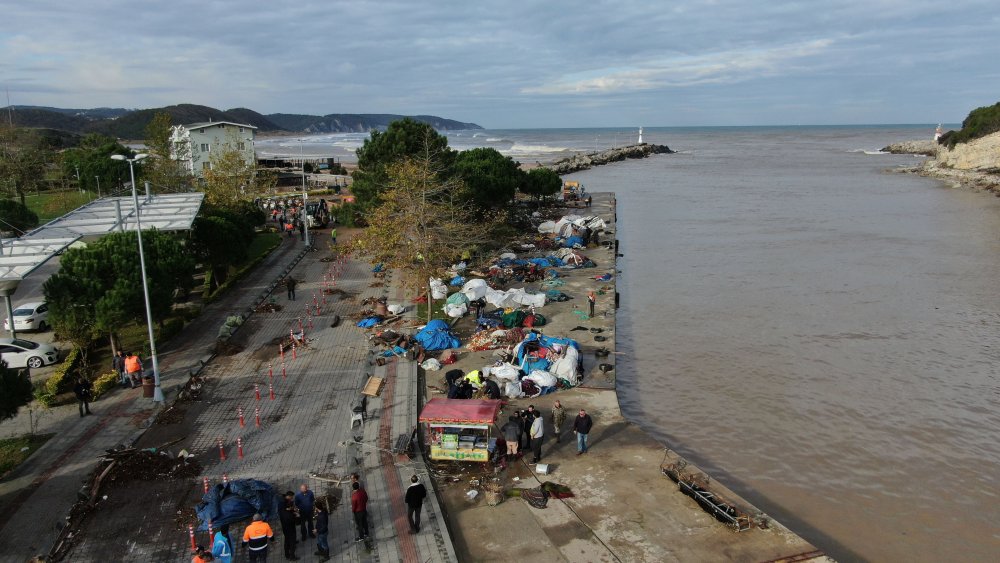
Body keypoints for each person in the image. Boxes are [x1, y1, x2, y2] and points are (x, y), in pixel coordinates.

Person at [279, 491, 299, 560]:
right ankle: (292, 556)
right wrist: (296, 515)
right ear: (289, 496)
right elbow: (293, 519)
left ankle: (287, 554)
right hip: (290, 527)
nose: (292, 498)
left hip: (284, 526)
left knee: (286, 540)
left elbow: (286, 509)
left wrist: (291, 509)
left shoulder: (282, 505)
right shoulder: (288, 514)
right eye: (292, 497)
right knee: (292, 541)